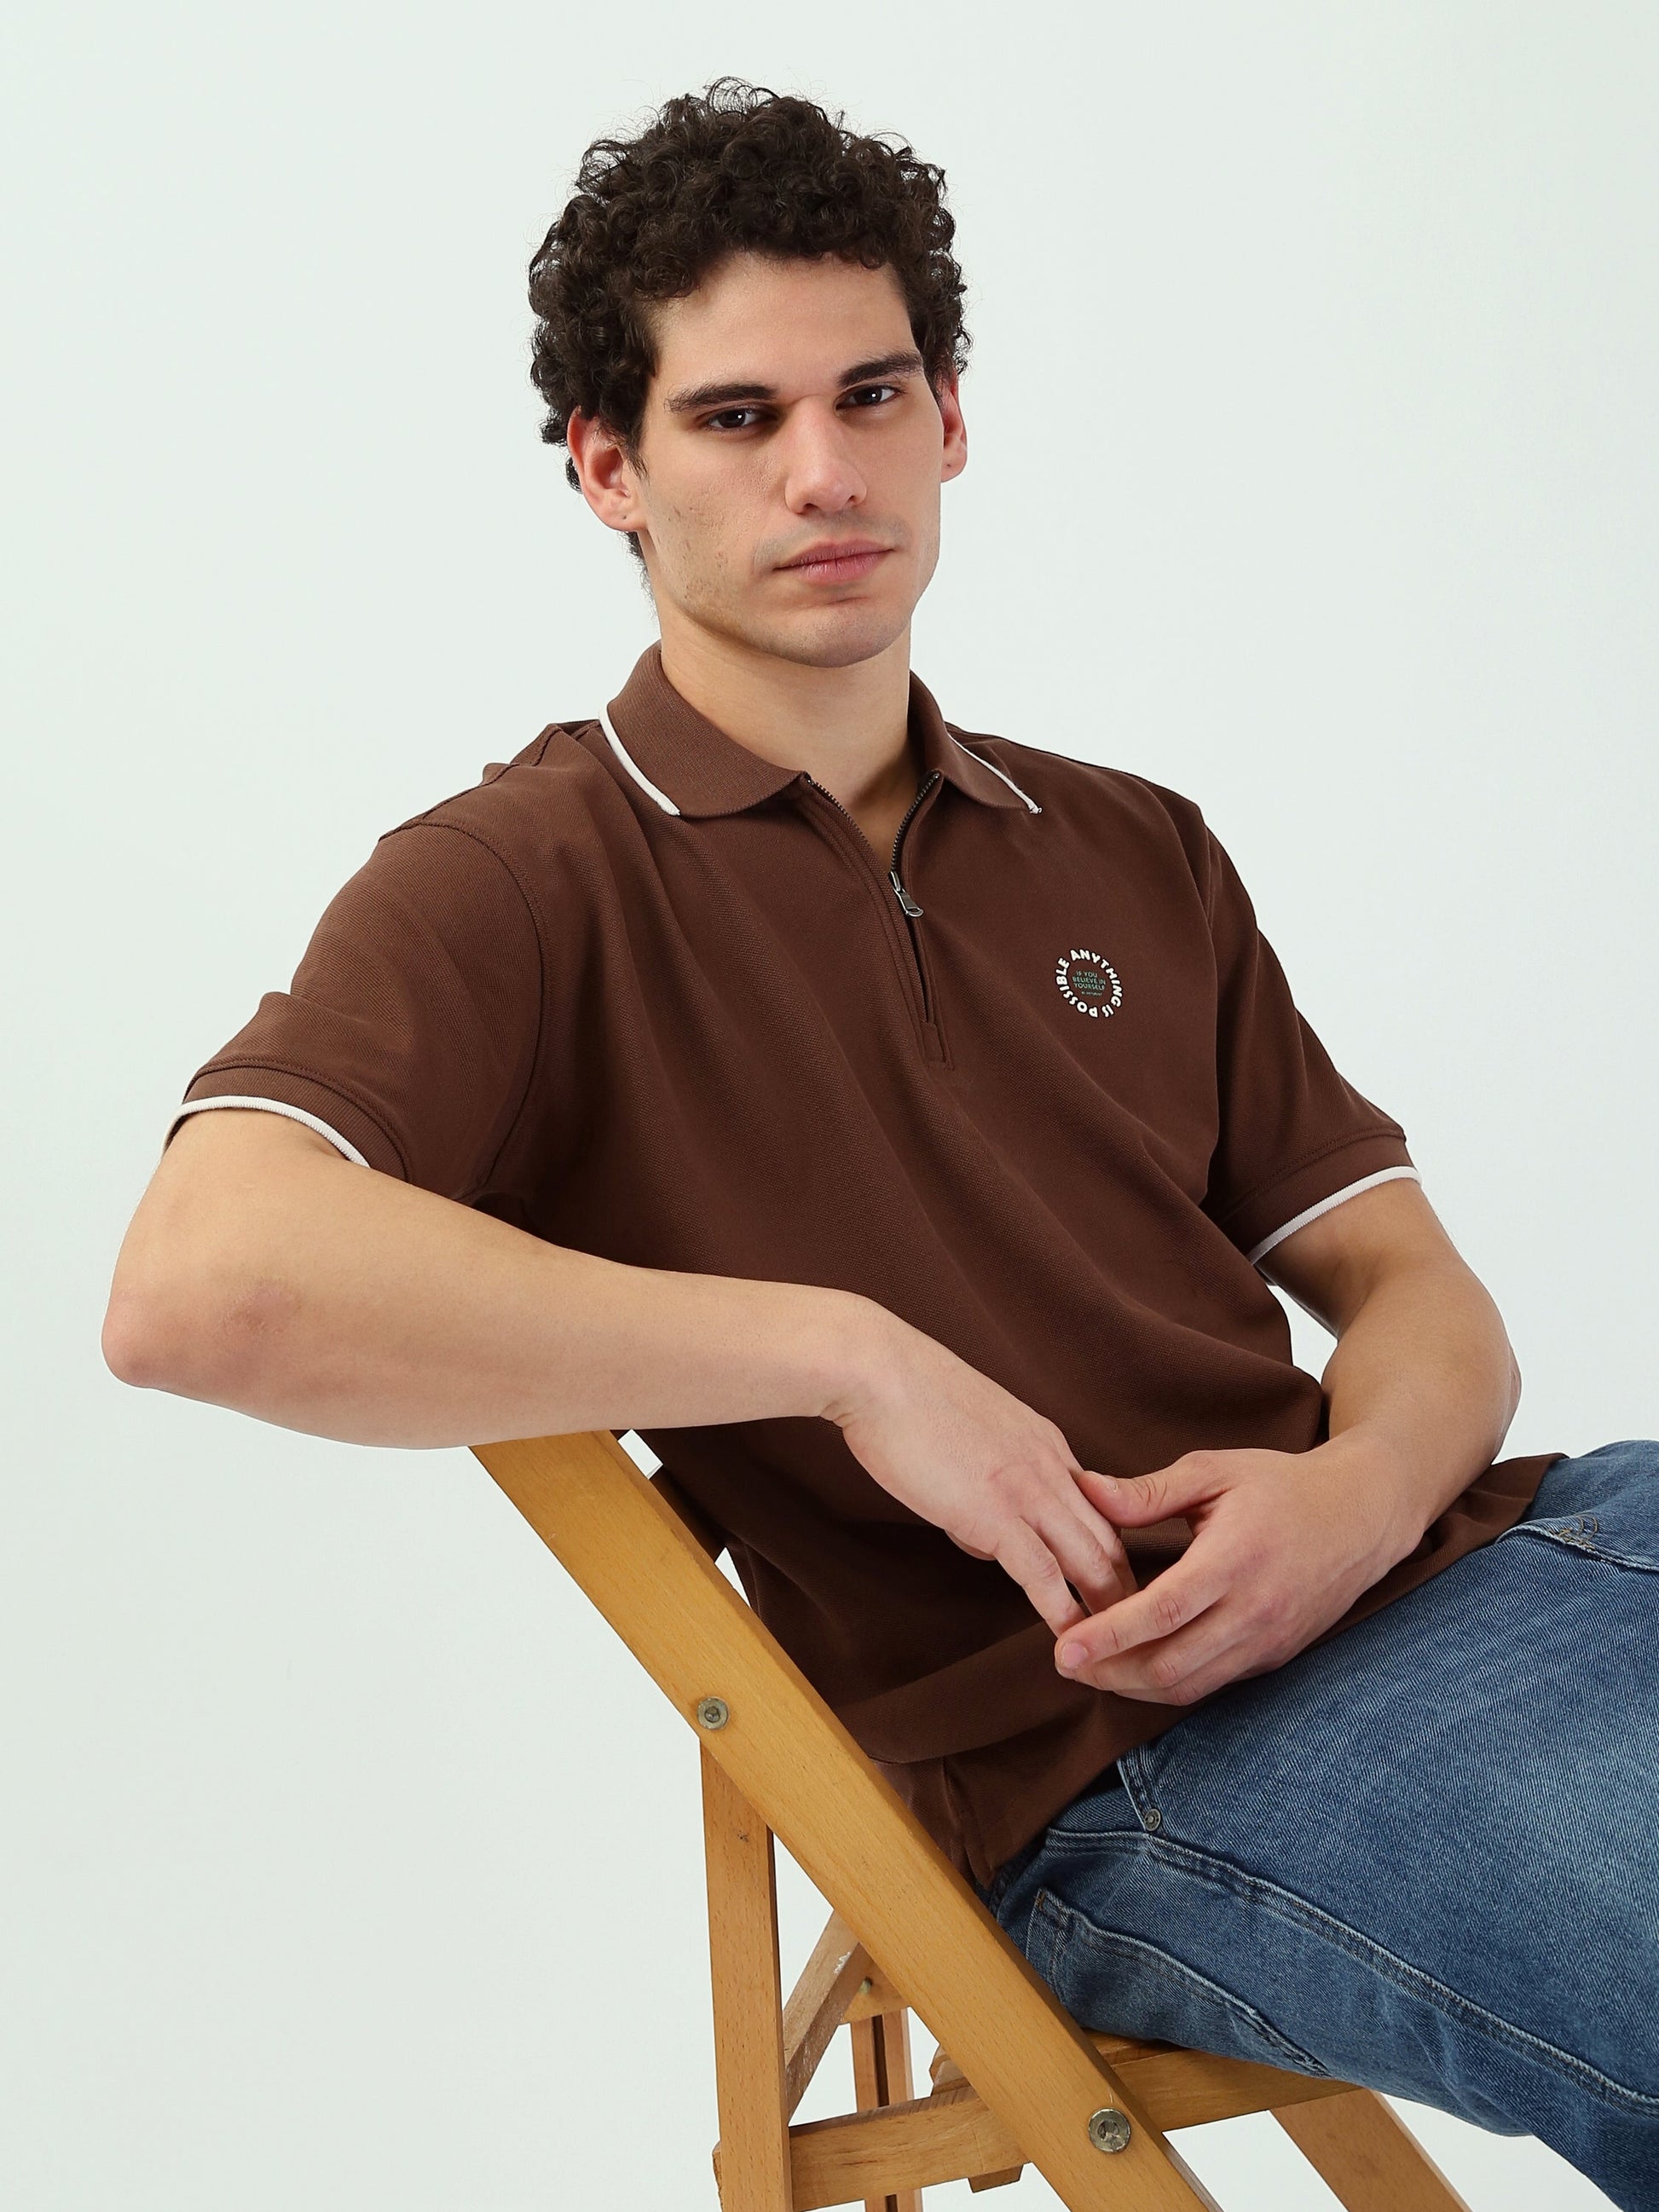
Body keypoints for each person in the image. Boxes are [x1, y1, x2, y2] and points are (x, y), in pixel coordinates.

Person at [102, 78, 1656, 2206]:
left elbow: (1411, 1285)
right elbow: (195, 1283)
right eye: (736, 417)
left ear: (950, 420)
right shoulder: (519, 881)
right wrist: (845, 1353)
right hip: (1123, 1753)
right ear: (607, 466)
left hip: (1505, 1546)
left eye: (871, 393)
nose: (824, 471)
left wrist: (1357, 1487)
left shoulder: (1127, 839)